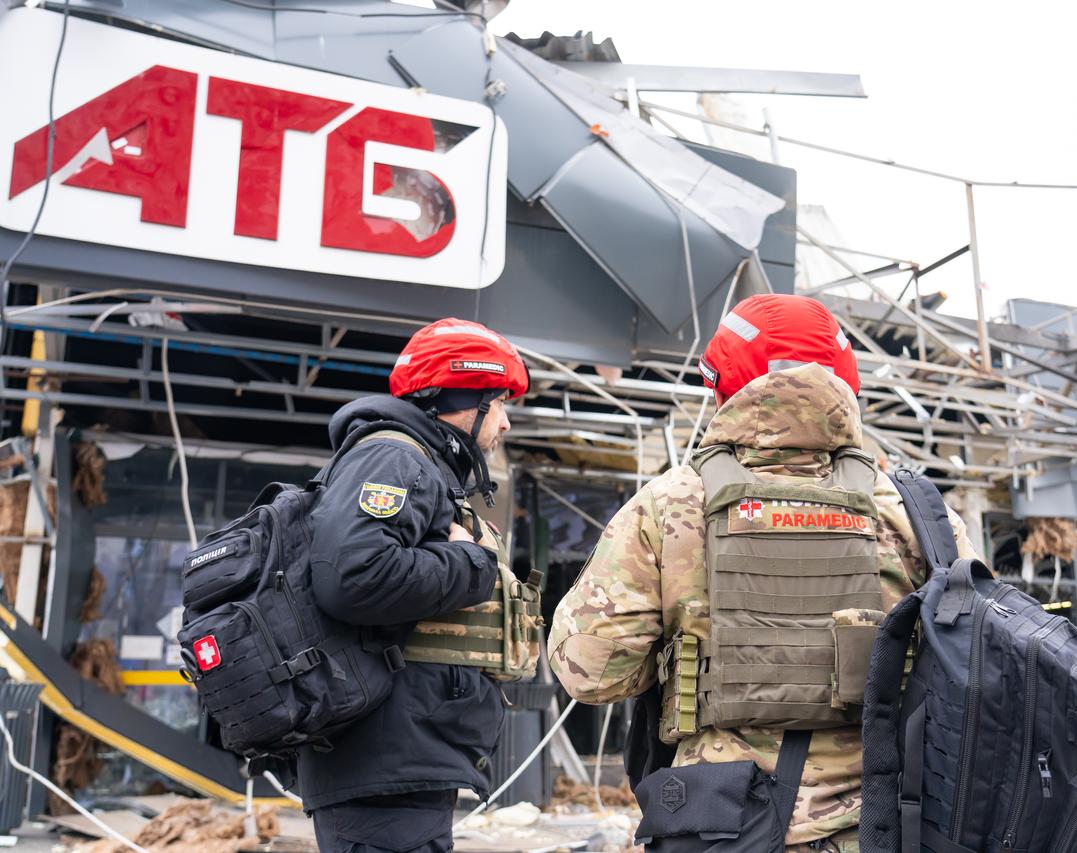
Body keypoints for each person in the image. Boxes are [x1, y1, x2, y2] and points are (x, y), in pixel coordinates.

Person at [549, 294, 978, 852]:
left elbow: (590, 672)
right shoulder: (918, 511)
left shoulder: (672, 502)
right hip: (880, 820)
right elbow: (969, 668)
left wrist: (692, 661)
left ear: (724, 385)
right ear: (847, 383)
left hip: (716, 817)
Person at [299, 318, 529, 853]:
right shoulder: (396, 458)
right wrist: (471, 561)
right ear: (465, 400)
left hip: (401, 758)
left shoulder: (417, 465)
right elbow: (352, 577)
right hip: (383, 764)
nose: (506, 424)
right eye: (500, 404)